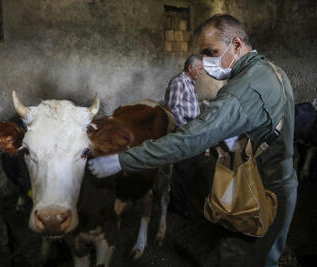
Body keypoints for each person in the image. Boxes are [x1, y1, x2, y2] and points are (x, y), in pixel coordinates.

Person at [88, 14, 297, 267]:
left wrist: (122, 160)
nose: (207, 62)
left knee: (253, 257)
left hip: (259, 190)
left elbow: (191, 139)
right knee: (264, 254)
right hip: (279, 180)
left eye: (212, 51)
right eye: (203, 55)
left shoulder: (242, 89)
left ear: (237, 45)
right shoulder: (273, 71)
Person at [163, 54, 204, 219]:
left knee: (185, 170)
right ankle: (179, 209)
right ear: (190, 68)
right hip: (183, 132)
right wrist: (187, 130)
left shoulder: (189, 83)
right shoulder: (179, 82)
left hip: (190, 131)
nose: (201, 72)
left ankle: (176, 204)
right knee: (182, 170)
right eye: (199, 69)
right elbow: (174, 108)